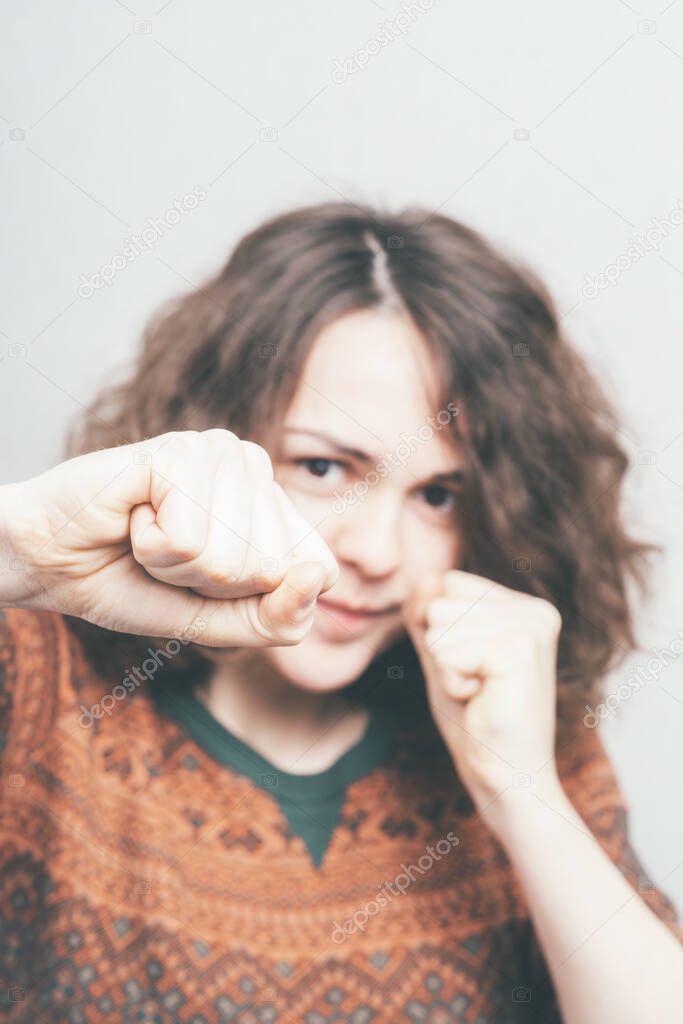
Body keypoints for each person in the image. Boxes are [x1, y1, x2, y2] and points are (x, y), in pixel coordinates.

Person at [1, 202, 681, 1024]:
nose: (378, 550)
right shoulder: (36, 682)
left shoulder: (517, 732)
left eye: (436, 495)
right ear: (215, 438)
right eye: (325, 467)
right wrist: (19, 549)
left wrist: (518, 789)